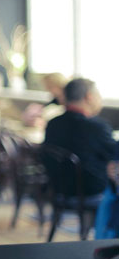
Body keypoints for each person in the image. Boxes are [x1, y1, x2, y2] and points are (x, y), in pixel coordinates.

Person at [43, 78, 115, 218]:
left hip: (59, 192)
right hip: (91, 193)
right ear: (89, 96)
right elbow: (114, 154)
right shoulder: (97, 127)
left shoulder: (53, 124)